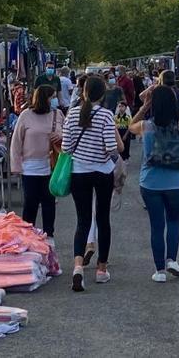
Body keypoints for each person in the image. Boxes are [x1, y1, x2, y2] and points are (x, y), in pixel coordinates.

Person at [64, 76, 123, 292]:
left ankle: (78, 267)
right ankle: (101, 270)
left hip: (79, 172)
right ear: (102, 94)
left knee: (82, 221)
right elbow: (111, 147)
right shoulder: (106, 115)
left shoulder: (72, 114)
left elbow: (66, 148)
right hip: (102, 172)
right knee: (103, 219)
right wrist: (118, 162)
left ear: (84, 92)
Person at [129, 84, 179, 281]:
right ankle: (172, 258)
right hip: (175, 181)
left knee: (157, 226)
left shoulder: (146, 127)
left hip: (150, 182)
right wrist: (175, 104)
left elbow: (130, 125)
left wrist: (144, 106)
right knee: (174, 221)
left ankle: (160, 270)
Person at [10, 85, 64, 242]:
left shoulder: (58, 114)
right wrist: (16, 166)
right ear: (44, 98)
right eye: (52, 97)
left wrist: (60, 136)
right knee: (30, 203)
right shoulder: (25, 115)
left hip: (51, 165)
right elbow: (16, 142)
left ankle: (49, 235)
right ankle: (28, 235)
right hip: (30, 167)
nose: (55, 100)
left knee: (49, 202)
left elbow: (68, 134)